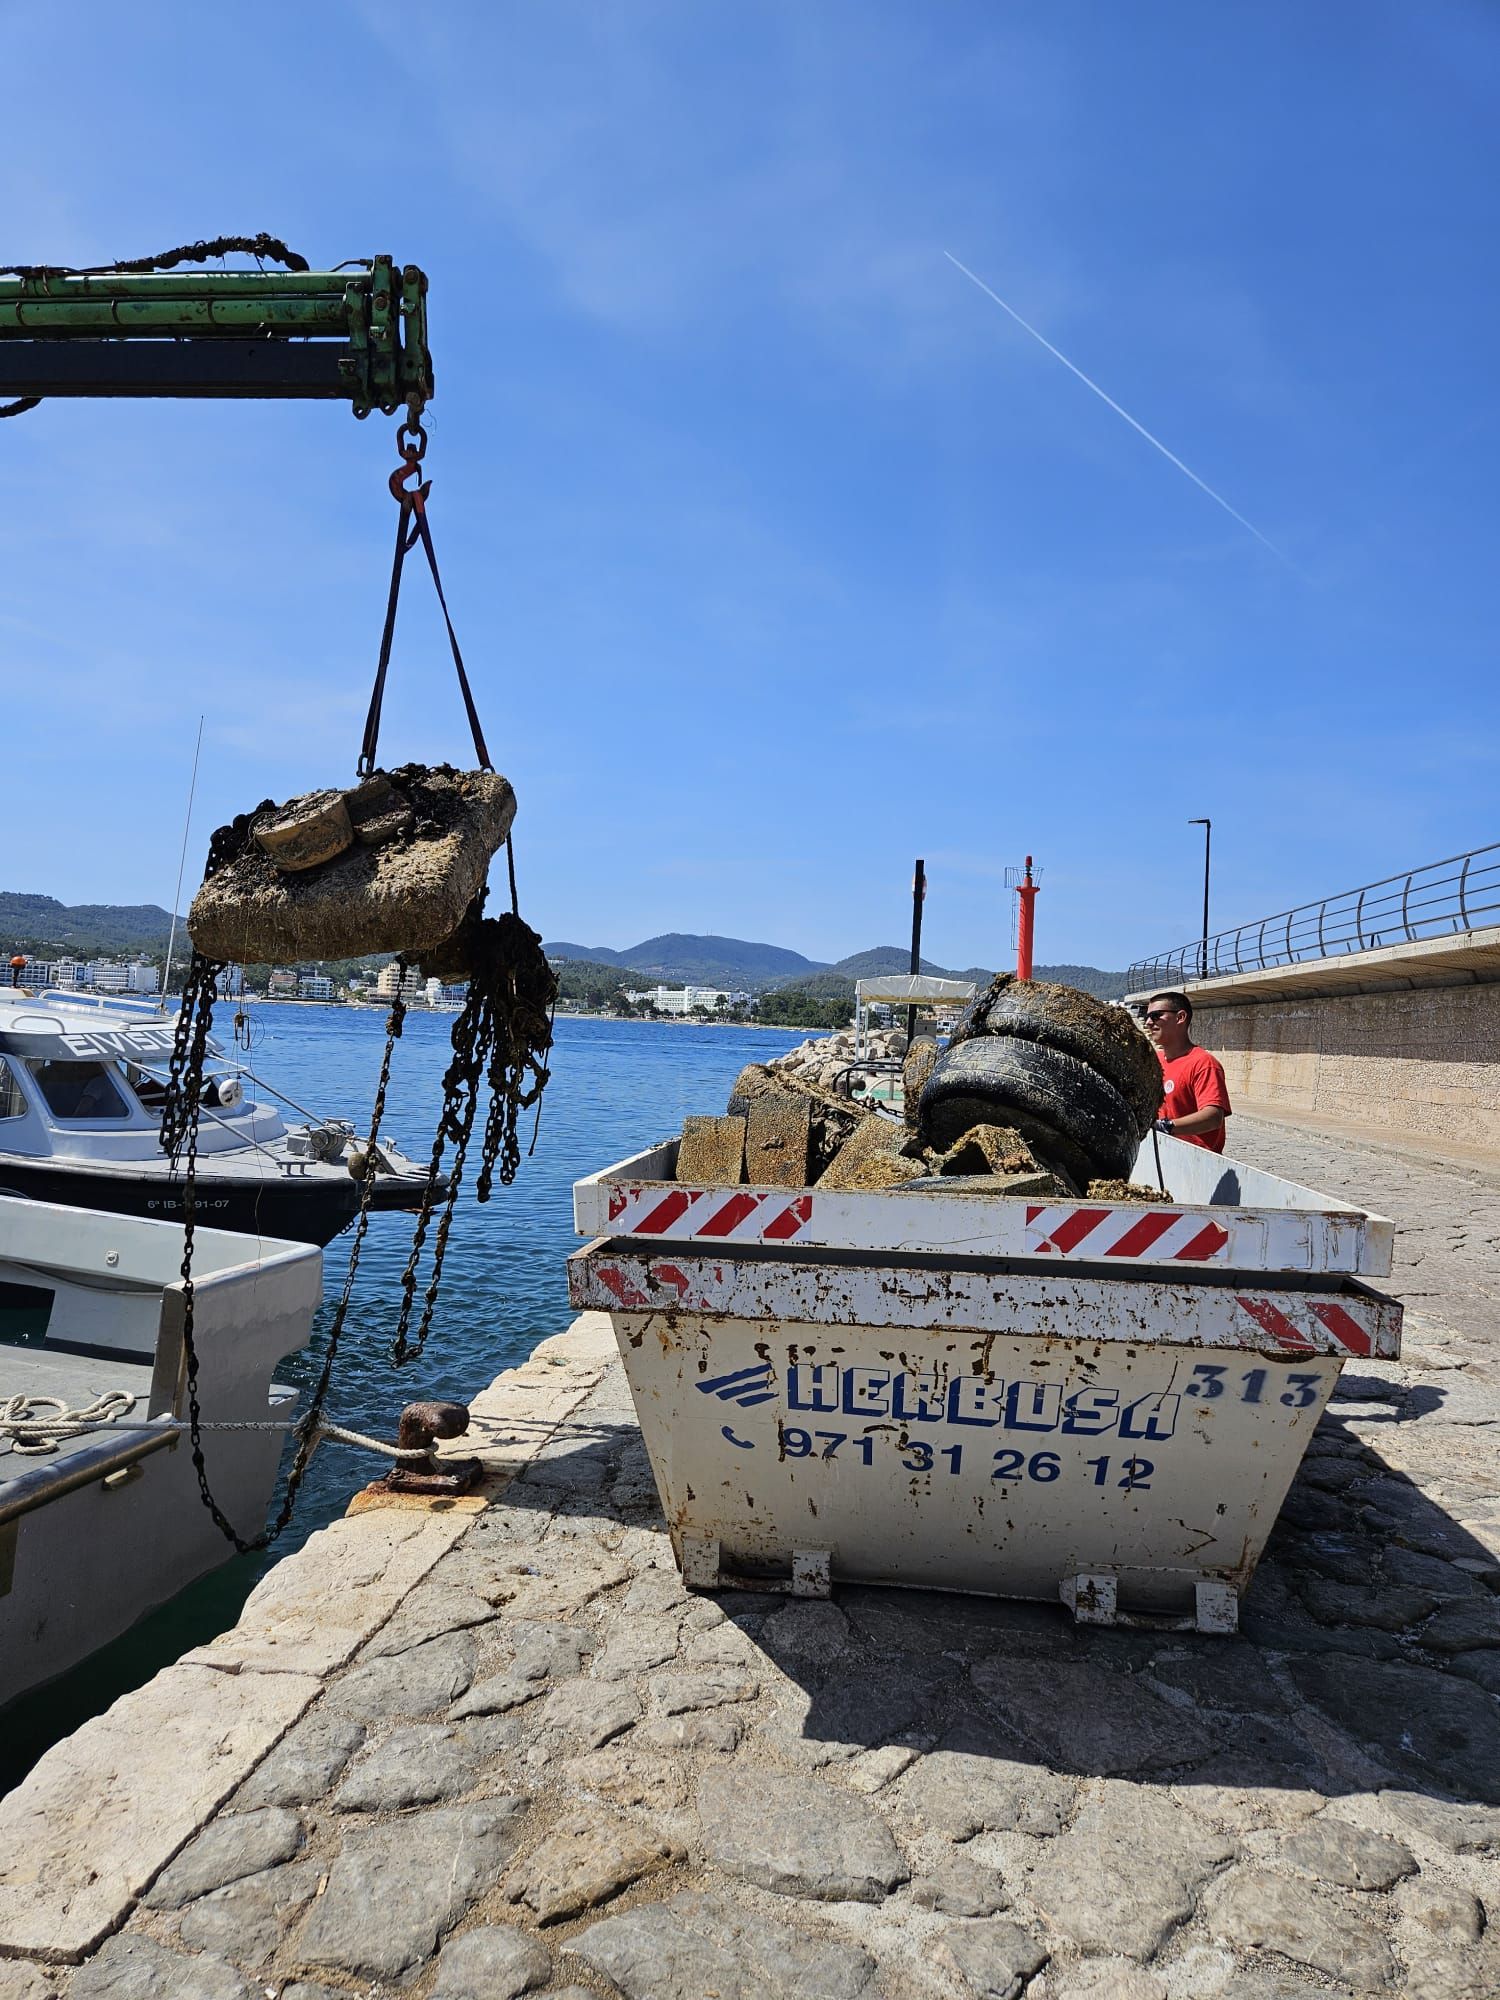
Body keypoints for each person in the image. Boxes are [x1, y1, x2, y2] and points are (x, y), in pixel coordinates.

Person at [1142, 990, 1231, 1153]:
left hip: (1195, 1162)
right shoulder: (1153, 1060)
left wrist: (1166, 1126)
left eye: (1156, 1016)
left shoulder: (1203, 1063)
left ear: (1180, 1017)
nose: (1148, 1022)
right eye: (1146, 1016)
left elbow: (1213, 1116)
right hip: (1159, 1155)